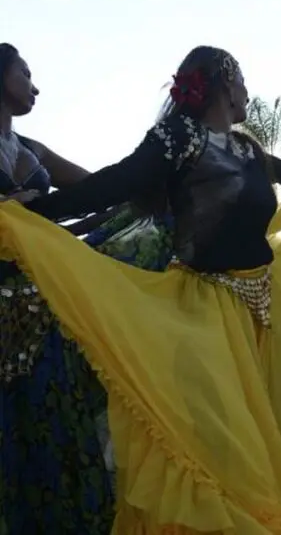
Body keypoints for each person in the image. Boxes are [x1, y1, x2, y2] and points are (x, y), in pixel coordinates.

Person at [0, 46, 281, 533]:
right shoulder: (181, 136)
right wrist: (32, 215)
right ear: (225, 81)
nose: (249, 92)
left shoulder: (244, 147)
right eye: (244, 80)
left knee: (248, 431)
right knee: (215, 436)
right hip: (203, 310)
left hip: (253, 308)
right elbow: (116, 183)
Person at [0, 42, 117, 534]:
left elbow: (95, 186)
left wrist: (147, 187)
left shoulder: (33, 149)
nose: (35, 85)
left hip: (44, 292)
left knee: (56, 408)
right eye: (25, 73)